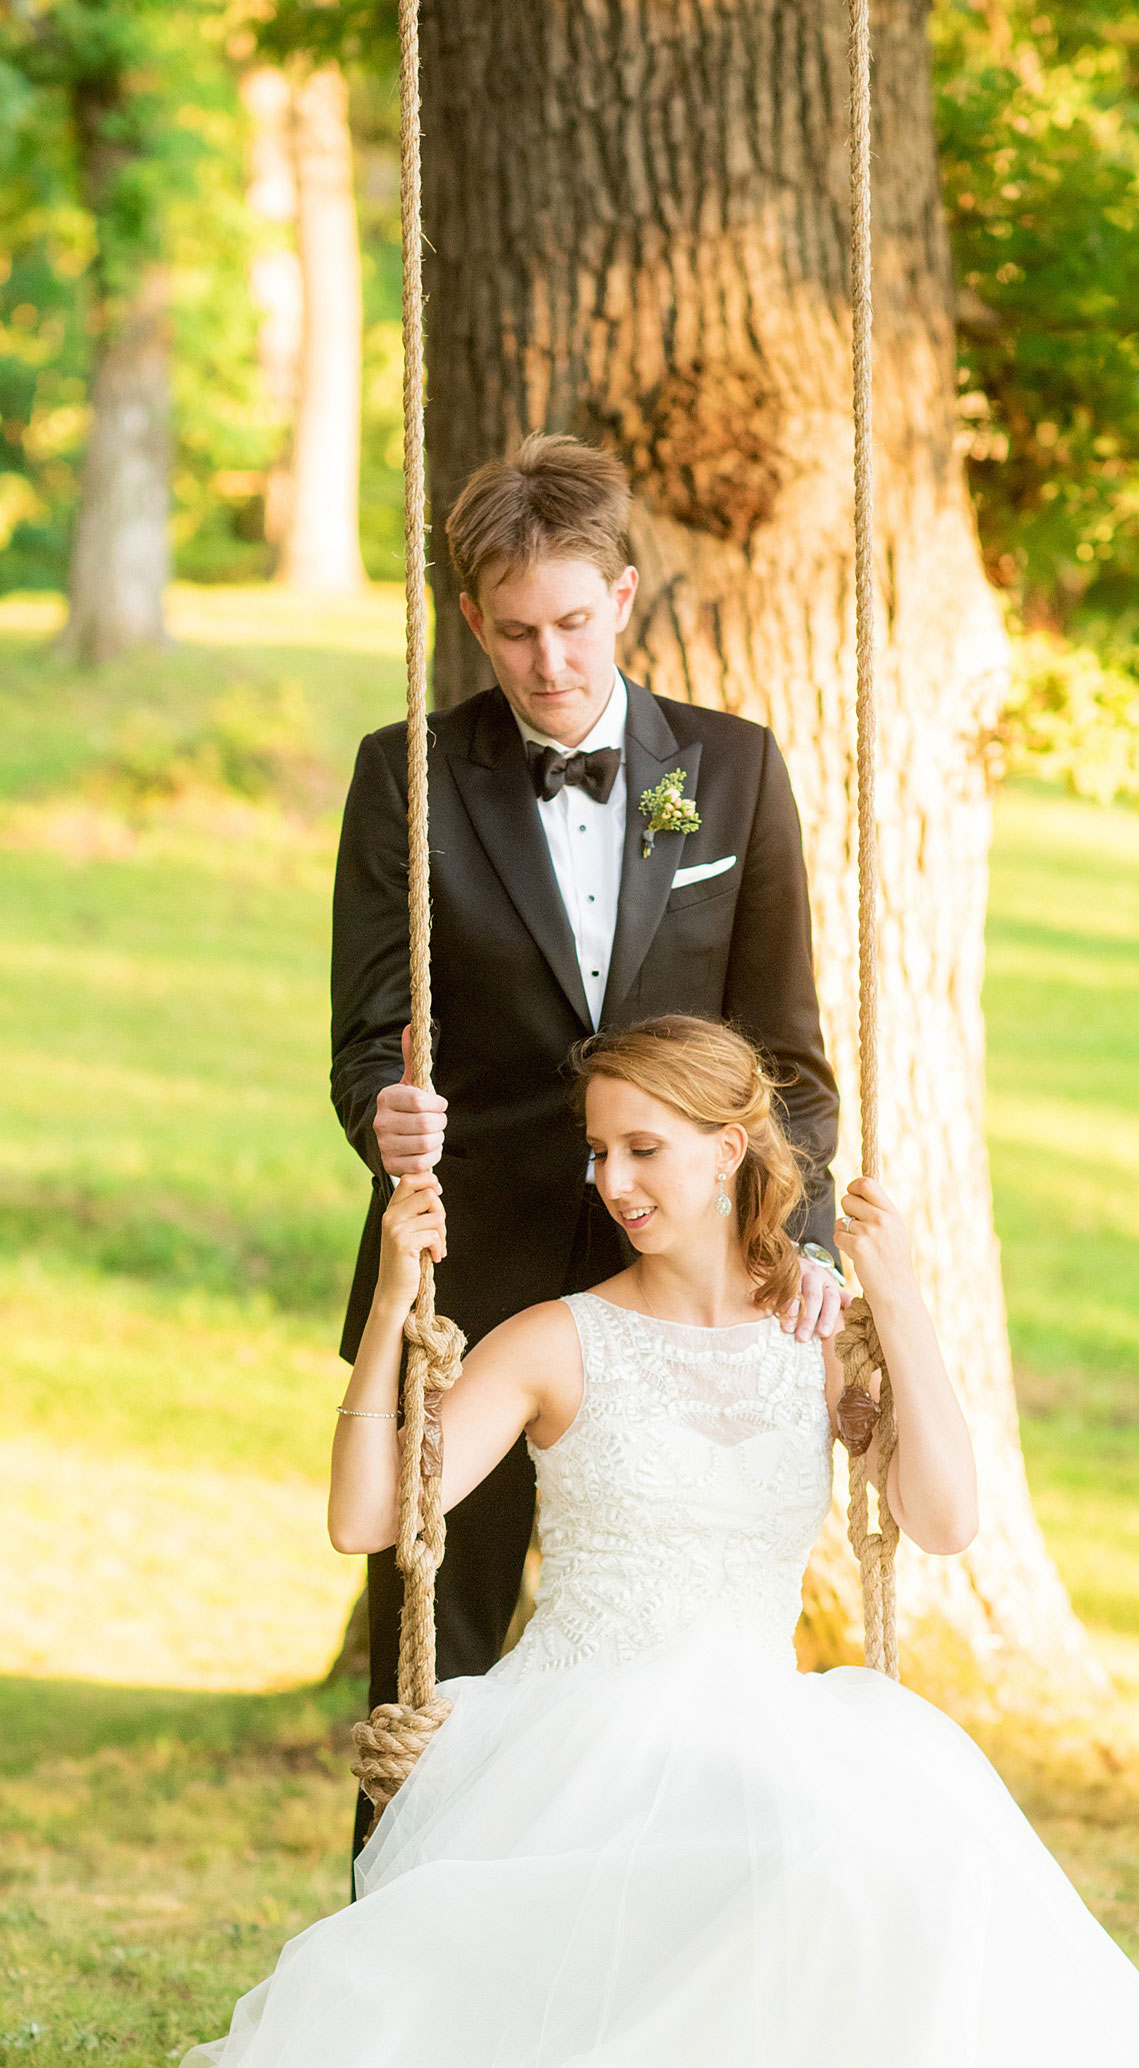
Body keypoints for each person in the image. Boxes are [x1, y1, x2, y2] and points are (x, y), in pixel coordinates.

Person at [0, 1016, 1139, 2068]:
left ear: (731, 1149)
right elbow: (368, 1513)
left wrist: (906, 1295)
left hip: (766, 1711)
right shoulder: (555, 1341)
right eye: (599, 1151)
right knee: (808, 1862)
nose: (614, 1181)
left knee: (901, 1860)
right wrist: (394, 1303)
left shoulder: (819, 1332)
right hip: (581, 1730)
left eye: (645, 1147)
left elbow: (941, 1518)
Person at [329, 433, 841, 1847]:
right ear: (471, 622)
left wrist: (795, 1239)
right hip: (480, 1274)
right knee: (442, 1651)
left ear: (623, 596)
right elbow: (369, 1035)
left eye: (570, 622)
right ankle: (397, 1973)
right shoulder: (408, 775)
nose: (547, 661)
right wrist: (385, 1109)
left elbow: (788, 1049)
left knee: (685, 1665)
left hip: (692, 1288)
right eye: (512, 633)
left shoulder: (733, 772)